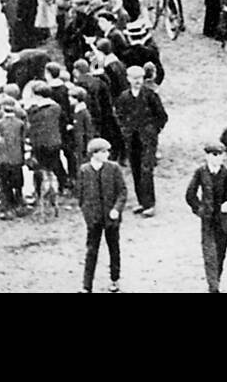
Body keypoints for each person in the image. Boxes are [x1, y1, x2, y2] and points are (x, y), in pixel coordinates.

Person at [185, 143, 227, 293]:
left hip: (224, 221)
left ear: (223, 156)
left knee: (220, 255)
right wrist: (199, 209)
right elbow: (190, 194)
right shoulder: (200, 172)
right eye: (212, 155)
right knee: (210, 254)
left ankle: (215, 282)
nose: (216, 158)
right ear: (207, 156)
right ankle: (213, 288)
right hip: (208, 221)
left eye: (219, 155)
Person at [115, 65, 168, 217]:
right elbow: (119, 115)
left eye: (140, 78)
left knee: (146, 170)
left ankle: (150, 204)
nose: (137, 81)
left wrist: (153, 131)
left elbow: (162, 116)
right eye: (134, 78)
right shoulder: (124, 97)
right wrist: (125, 130)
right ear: (128, 79)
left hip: (148, 139)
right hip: (132, 139)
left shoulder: (150, 95)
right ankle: (141, 202)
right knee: (136, 169)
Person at [76, 138, 127, 293]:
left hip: (111, 218)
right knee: (91, 251)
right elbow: (81, 196)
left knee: (114, 249)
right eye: (103, 152)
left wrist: (116, 209)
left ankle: (115, 280)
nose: (107, 154)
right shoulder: (84, 170)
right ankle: (86, 286)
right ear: (94, 154)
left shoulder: (114, 169)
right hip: (94, 219)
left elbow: (122, 192)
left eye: (107, 151)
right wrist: (88, 215)